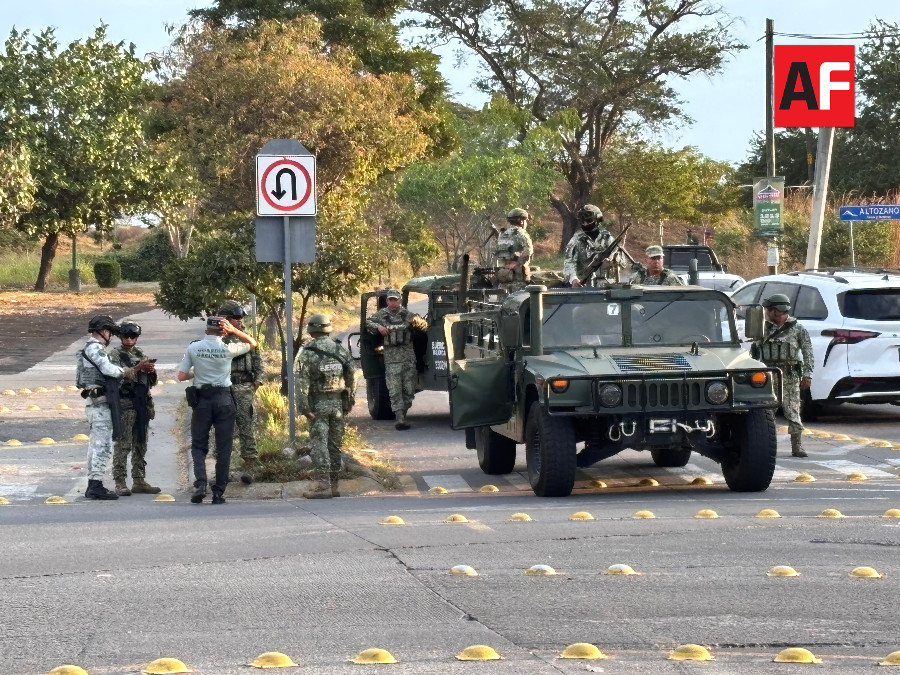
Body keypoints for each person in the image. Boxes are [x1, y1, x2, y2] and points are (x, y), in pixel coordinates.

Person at [176, 315, 259, 504]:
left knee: (198, 444)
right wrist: (235, 331)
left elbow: (181, 376)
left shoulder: (194, 348)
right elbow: (252, 343)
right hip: (224, 399)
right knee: (224, 446)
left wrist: (198, 371)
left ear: (206, 330)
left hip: (202, 401)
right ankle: (218, 492)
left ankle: (200, 484)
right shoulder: (228, 348)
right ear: (223, 332)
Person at [77, 315, 154, 500]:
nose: (111, 336)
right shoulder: (95, 348)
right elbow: (108, 369)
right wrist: (131, 371)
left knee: (96, 445)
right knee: (102, 445)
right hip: (99, 402)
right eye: (110, 332)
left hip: (98, 400)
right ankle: (95, 485)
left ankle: (93, 483)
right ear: (104, 331)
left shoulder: (91, 348)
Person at [295, 314, 356, 499]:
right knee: (334, 444)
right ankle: (335, 485)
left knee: (319, 444)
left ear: (311, 330)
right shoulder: (339, 349)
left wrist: (304, 408)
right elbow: (352, 373)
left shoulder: (307, 352)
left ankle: (323, 486)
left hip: (318, 404)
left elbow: (301, 383)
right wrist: (349, 401)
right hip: (338, 404)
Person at [753, 293, 814, 458]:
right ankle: (765, 446)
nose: (767, 313)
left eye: (769, 310)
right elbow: (754, 352)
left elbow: (808, 353)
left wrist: (807, 374)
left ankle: (797, 445)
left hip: (789, 376)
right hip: (768, 377)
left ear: (777, 311)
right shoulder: (762, 328)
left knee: (793, 411)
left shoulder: (798, 329)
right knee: (765, 414)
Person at [109, 321, 160, 496]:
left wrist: (151, 372)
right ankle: (120, 482)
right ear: (120, 337)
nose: (130, 339)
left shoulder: (140, 354)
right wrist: (138, 368)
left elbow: (151, 383)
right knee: (123, 444)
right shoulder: (115, 355)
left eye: (133, 336)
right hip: (125, 403)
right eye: (126, 336)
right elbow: (116, 378)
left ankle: (139, 479)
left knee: (140, 443)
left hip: (141, 402)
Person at [366, 289, 427, 430]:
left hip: (408, 359)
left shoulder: (407, 314)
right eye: (390, 300)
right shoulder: (381, 315)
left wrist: (417, 322)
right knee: (394, 390)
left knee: (409, 391)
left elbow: (424, 327)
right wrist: (378, 327)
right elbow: (367, 323)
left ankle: (403, 414)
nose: (393, 303)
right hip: (391, 360)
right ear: (387, 301)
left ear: (400, 301)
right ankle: (400, 418)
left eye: (395, 300)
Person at [218, 301, 264, 484]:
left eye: (240, 318)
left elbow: (257, 359)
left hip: (244, 388)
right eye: (235, 318)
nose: (239, 321)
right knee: (223, 429)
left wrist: (257, 381)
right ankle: (223, 469)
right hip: (223, 388)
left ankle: (250, 466)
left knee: (246, 427)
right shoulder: (217, 338)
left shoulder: (246, 337)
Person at [563, 204, 625, 286]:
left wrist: (615, 258)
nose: (585, 224)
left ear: (597, 220)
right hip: (584, 286)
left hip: (608, 285)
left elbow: (623, 263)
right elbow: (569, 263)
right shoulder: (576, 240)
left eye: (588, 221)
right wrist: (574, 279)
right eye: (582, 221)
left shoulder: (607, 238)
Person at [494, 208, 534, 292]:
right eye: (525, 221)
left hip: (504, 278)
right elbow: (528, 252)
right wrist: (517, 262)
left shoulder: (502, 234)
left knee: (504, 299)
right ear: (521, 221)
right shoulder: (521, 233)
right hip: (518, 280)